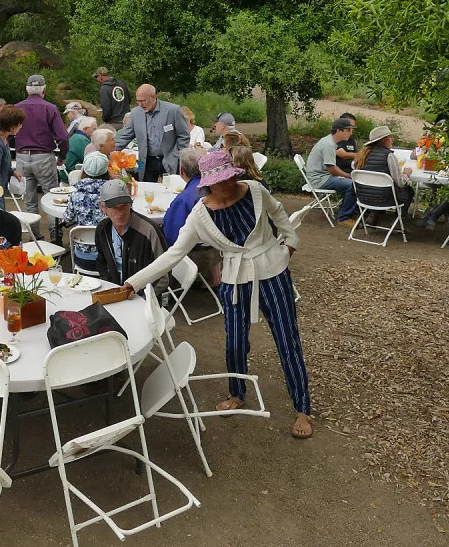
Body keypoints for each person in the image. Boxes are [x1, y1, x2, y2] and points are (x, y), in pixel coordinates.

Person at [117, 150, 312, 439]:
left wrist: (290, 243)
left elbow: (280, 214)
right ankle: (237, 393)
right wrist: (134, 282)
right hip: (234, 279)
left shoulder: (256, 191)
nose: (229, 185)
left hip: (273, 271)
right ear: (207, 184)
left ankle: (302, 407)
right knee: (234, 341)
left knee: (287, 339)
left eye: (231, 178)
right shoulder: (200, 215)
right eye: (221, 181)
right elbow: (172, 255)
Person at [93, 180, 168, 293]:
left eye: (124, 206)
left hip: (143, 298)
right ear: (103, 207)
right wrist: (107, 281)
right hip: (114, 292)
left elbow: (164, 276)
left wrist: (142, 298)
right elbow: (101, 260)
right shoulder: (103, 229)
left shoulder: (149, 231)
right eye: (115, 207)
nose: (121, 212)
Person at [14, 75, 69, 223]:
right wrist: (63, 155)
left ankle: (34, 235)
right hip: (43, 156)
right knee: (51, 197)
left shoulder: (17, 108)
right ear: (44, 90)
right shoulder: (49, 108)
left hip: (22, 156)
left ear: (27, 90)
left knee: (29, 200)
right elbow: (62, 137)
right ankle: (54, 236)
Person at [115, 84, 190, 183]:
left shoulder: (173, 110)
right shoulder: (135, 113)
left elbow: (184, 136)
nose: (140, 104)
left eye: (143, 101)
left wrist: (177, 155)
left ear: (154, 97)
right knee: (145, 188)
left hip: (169, 158)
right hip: (145, 160)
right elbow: (127, 135)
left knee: (171, 188)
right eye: (138, 101)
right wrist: (111, 149)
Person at [305, 117, 359, 224]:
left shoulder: (329, 141)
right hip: (320, 180)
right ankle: (344, 218)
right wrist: (348, 176)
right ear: (338, 131)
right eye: (348, 130)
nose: (350, 133)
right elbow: (332, 170)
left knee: (354, 182)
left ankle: (353, 213)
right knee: (354, 185)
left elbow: (332, 168)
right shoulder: (329, 145)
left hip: (321, 176)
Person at [65, 152, 111, 272]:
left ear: (84, 170)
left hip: (82, 259)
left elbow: (67, 219)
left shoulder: (75, 193)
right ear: (107, 170)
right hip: (110, 258)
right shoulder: (112, 193)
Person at [353, 125, 413, 216]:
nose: (392, 140)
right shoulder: (388, 155)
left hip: (362, 198)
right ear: (383, 140)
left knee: (379, 187)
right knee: (408, 190)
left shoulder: (361, 155)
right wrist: (406, 174)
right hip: (384, 199)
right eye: (390, 137)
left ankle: (374, 216)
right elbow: (400, 182)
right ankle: (399, 222)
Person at [164, 147, 204, 245]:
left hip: (194, 251)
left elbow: (172, 234)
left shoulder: (184, 199)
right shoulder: (215, 186)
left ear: (181, 170)